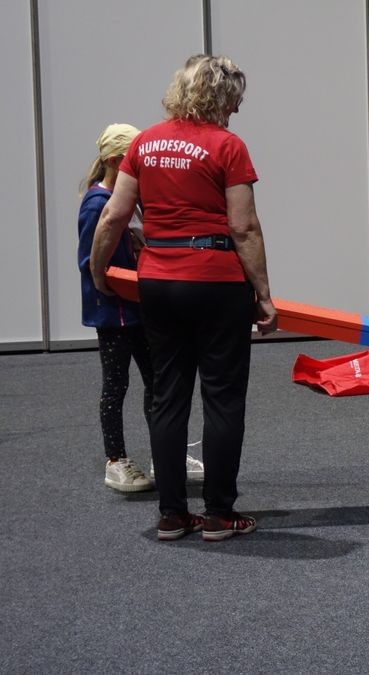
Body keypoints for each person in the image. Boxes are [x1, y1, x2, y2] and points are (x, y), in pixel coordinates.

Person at [90, 54, 277, 542]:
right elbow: (243, 226)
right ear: (220, 99)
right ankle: (219, 513)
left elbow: (113, 216)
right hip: (216, 283)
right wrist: (263, 293)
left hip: (160, 283)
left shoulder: (146, 142)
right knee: (222, 397)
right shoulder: (228, 146)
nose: (235, 113)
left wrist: (99, 272)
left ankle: (173, 514)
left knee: (168, 397)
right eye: (233, 102)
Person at [78, 124, 205, 493]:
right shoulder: (97, 205)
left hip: (142, 309)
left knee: (159, 383)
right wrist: (109, 285)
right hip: (114, 315)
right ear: (116, 160)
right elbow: (90, 262)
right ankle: (115, 461)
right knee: (116, 385)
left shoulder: (131, 201)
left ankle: (165, 452)